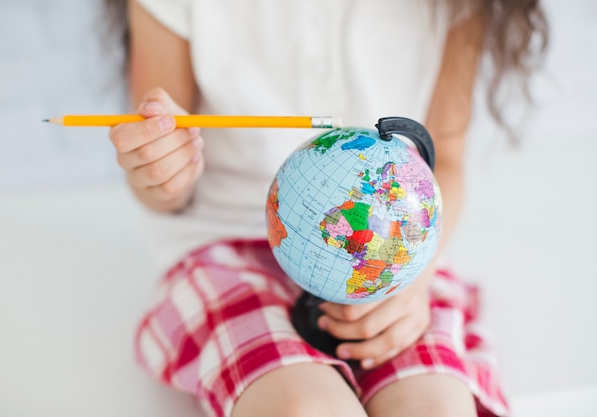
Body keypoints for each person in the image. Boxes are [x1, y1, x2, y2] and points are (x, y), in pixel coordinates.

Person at [103, 1, 548, 416]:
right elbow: (160, 190)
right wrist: (162, 170)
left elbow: (444, 160)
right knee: (302, 406)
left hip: (389, 257)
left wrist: (413, 280)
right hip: (225, 249)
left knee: (434, 404)